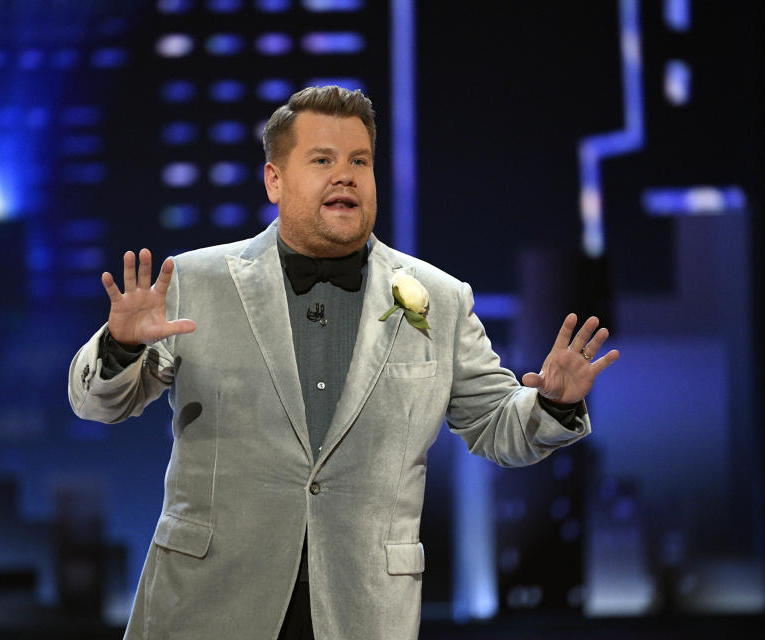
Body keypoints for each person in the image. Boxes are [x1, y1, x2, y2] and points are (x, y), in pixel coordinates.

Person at [68, 86, 618, 640]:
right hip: (208, 606)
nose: (346, 175)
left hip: (364, 611)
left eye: (359, 161)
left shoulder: (439, 298)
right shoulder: (195, 281)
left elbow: (497, 425)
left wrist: (552, 402)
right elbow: (97, 404)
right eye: (323, 160)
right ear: (274, 181)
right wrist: (122, 345)